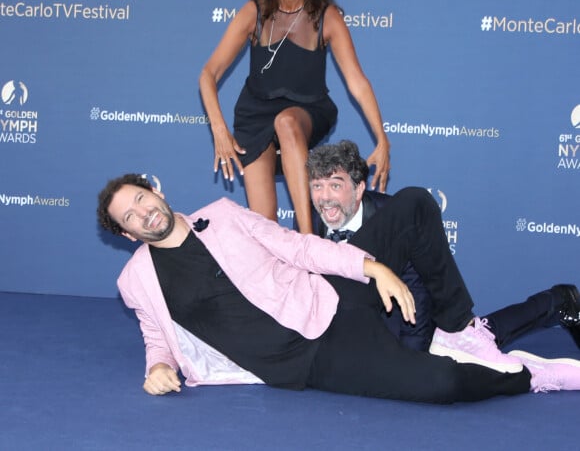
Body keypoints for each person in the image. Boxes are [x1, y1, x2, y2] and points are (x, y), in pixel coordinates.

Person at [97, 173, 580, 402]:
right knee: (442, 383)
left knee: (412, 203)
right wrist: (158, 366)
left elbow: (298, 247)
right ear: (126, 233)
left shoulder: (220, 216)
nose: (144, 212)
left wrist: (371, 267)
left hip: (328, 298)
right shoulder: (136, 279)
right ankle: (530, 374)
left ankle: (459, 326)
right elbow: (156, 335)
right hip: (312, 361)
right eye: (130, 216)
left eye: (142, 198)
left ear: (156, 190)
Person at [305, 140, 580, 357]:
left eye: (335, 185)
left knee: (481, 338)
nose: (324, 197)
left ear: (359, 188)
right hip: (357, 327)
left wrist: (413, 352)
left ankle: (558, 300)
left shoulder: (393, 217)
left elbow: (418, 288)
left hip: (412, 323)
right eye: (317, 186)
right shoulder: (309, 220)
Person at [199, 0, 390, 235]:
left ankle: (307, 236)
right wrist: (219, 130)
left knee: (287, 122)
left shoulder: (326, 17)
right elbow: (208, 74)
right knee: (264, 230)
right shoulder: (254, 12)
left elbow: (357, 82)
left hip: (307, 110)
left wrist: (382, 140)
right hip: (255, 116)